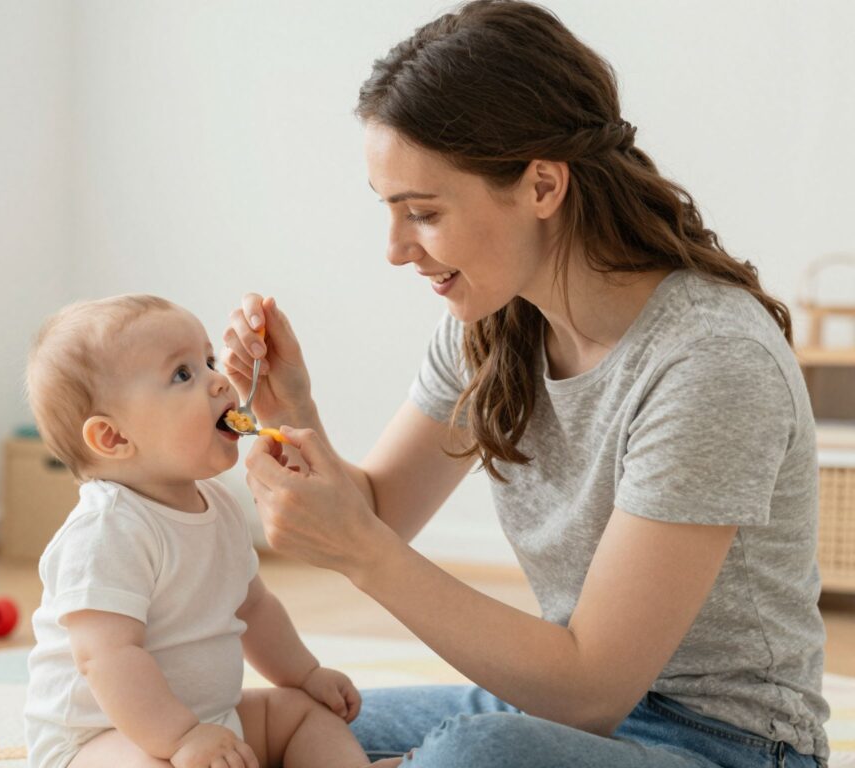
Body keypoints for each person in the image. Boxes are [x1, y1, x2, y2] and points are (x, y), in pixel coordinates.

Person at [220, 2, 828, 766]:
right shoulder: (490, 325)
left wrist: (362, 552)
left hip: (728, 744)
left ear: (542, 185)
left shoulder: (709, 360)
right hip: (558, 714)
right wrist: (292, 411)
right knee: (252, 725)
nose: (396, 249)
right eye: (390, 212)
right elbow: (379, 515)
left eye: (424, 213)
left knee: (470, 757)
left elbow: (591, 688)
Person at [22, 294, 400, 768]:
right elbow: (107, 657)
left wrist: (305, 674)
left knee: (306, 715)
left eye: (207, 361)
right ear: (114, 438)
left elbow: (254, 607)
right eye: (183, 374)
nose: (219, 381)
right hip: (101, 739)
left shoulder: (219, 505)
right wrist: (180, 739)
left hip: (211, 721)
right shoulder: (106, 530)